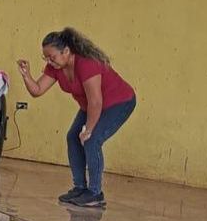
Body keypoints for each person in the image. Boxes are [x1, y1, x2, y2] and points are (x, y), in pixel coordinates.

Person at [17, 27, 136, 207]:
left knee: (91, 140)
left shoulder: (86, 63)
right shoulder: (56, 67)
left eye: (52, 57)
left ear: (66, 51)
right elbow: (37, 90)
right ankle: (80, 187)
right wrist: (26, 75)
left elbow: (96, 101)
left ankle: (95, 193)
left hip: (118, 102)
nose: (49, 61)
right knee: (73, 137)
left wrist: (88, 130)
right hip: (92, 105)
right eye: (45, 58)